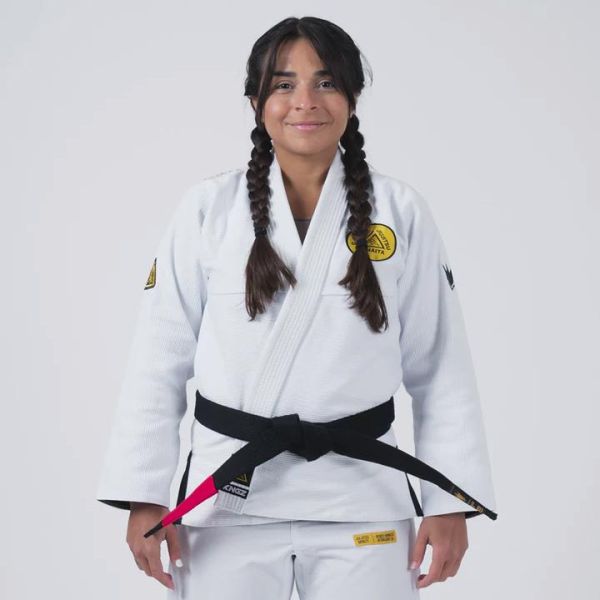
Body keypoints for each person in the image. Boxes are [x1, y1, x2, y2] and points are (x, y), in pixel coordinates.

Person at [96, 16, 497, 599]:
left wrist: (449, 501)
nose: (305, 101)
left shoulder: (399, 211)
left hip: (362, 500)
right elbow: (158, 360)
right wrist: (145, 493)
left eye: (326, 82)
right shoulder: (209, 210)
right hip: (227, 499)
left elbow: (441, 367)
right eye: (283, 84)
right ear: (255, 102)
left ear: (353, 98)